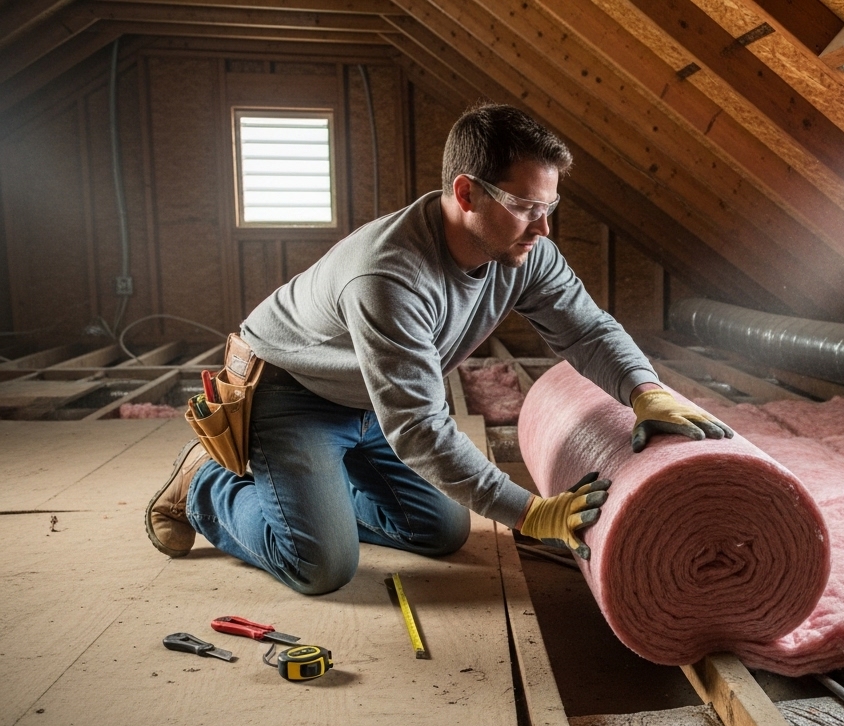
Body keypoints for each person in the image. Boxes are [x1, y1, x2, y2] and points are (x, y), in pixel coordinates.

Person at [144, 103, 731, 594]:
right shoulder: (389, 277)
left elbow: (587, 329)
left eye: (549, 207)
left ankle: (318, 491)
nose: (543, 228)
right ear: (466, 193)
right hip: (292, 392)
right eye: (525, 207)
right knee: (321, 565)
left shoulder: (527, 253)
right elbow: (419, 428)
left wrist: (644, 391)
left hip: (371, 398)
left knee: (440, 530)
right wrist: (531, 513)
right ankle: (203, 486)